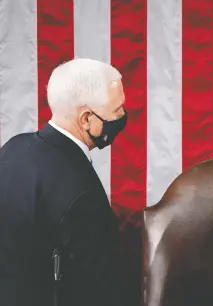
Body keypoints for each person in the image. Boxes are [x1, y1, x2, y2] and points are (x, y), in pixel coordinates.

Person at [0, 58, 128, 306]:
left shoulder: (13, 148)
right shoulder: (83, 193)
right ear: (86, 119)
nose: (123, 116)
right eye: (117, 110)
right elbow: (99, 287)